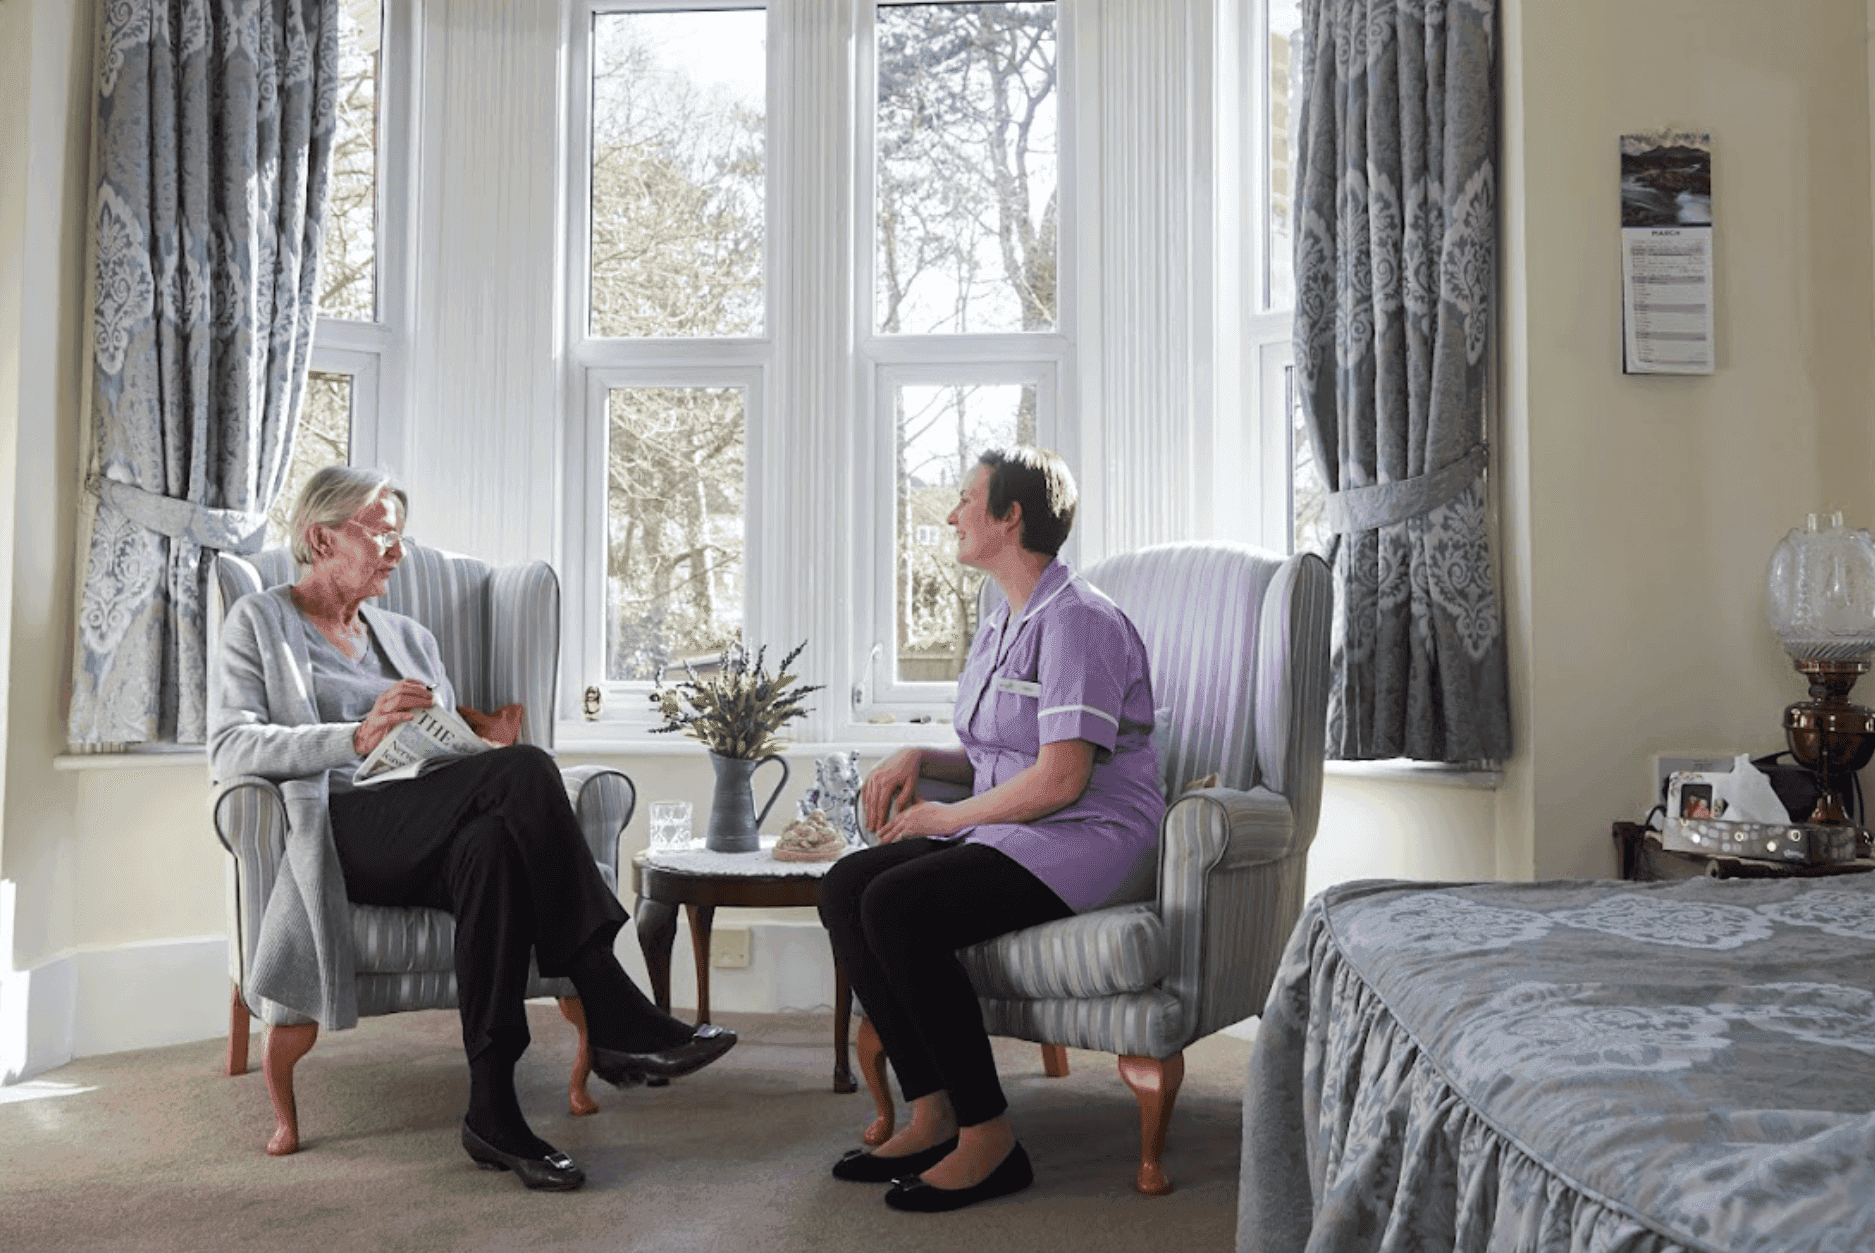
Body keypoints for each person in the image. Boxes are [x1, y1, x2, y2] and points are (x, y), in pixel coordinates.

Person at [208, 466, 736, 1192]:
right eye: (378, 531)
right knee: (523, 769)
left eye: (401, 533)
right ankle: (610, 1002)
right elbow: (231, 748)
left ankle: (492, 1113)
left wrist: (464, 747)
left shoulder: (411, 638)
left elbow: (448, 744)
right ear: (320, 536)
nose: (396, 549)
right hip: (340, 826)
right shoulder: (260, 621)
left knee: (491, 845)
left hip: (427, 813)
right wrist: (356, 736)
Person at [817, 445, 1164, 1212]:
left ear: (1010, 516)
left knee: (897, 903)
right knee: (847, 885)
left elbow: (1063, 778)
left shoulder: (1080, 623)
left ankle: (989, 1136)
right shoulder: (1002, 616)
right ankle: (932, 1109)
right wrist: (922, 758)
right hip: (1020, 826)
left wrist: (944, 816)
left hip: (1091, 835)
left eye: (967, 499)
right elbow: (999, 753)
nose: (952, 514)